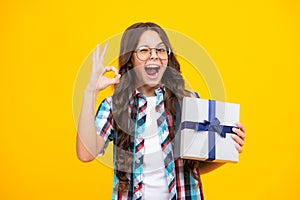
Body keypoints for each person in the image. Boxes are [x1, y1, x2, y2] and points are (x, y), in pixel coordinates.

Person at [76, 22, 246, 200]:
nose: (154, 56)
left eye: (161, 50)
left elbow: (195, 166)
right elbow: (86, 153)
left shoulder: (188, 101)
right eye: (144, 50)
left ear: (168, 57)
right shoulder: (114, 105)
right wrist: (91, 91)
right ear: (130, 58)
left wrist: (227, 147)